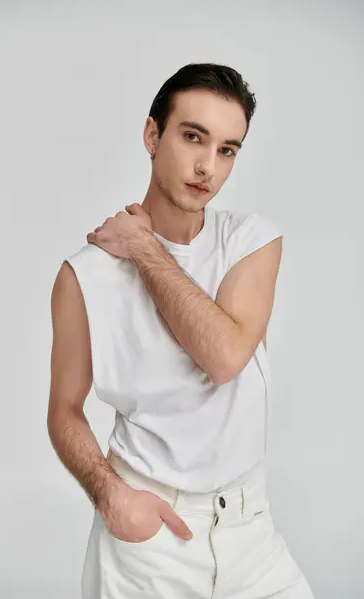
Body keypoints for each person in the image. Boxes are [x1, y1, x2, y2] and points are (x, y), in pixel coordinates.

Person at [47, 63, 315, 598]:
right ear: (153, 135)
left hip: (250, 530)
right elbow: (64, 409)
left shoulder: (251, 240)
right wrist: (108, 495)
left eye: (227, 149)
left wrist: (145, 249)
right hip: (148, 538)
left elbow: (223, 357)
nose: (207, 166)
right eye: (193, 137)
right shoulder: (86, 276)